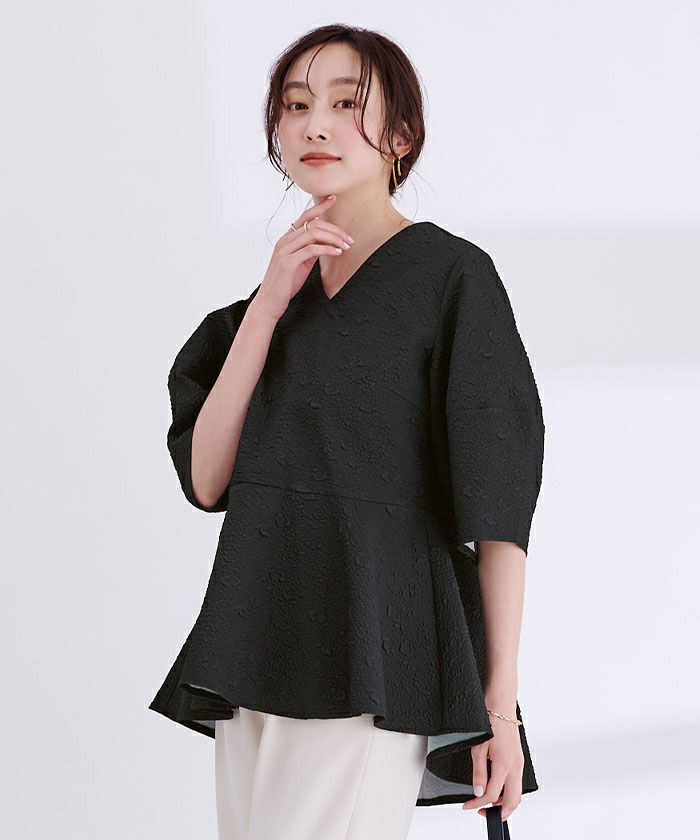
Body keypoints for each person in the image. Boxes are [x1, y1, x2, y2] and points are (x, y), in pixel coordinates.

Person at [148, 23, 545, 840]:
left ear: (401, 135)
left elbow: (499, 506)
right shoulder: (261, 312)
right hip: (255, 639)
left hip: (374, 647)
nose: (315, 124)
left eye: (345, 103)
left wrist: (498, 706)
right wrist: (268, 303)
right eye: (296, 106)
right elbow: (207, 479)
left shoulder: (450, 278)